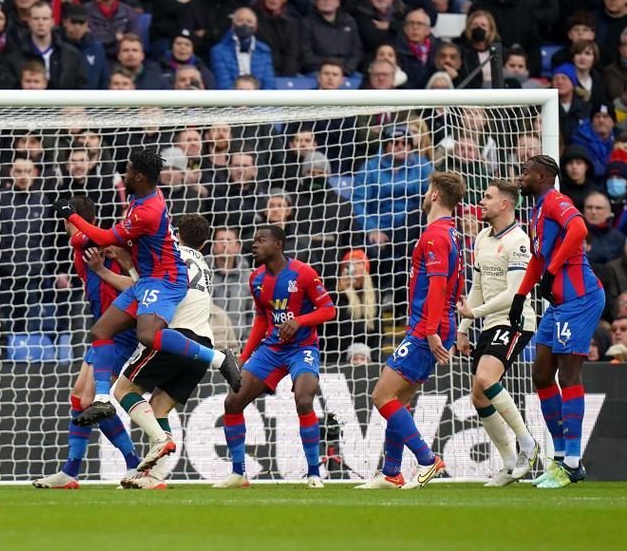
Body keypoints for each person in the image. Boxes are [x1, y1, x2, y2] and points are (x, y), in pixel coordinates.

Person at [53, 148, 241, 428]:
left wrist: (73, 217)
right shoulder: (143, 197)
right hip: (148, 279)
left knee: (148, 335)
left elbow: (104, 236)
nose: (124, 175)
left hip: (165, 279)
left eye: (128, 171)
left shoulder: (147, 211)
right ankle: (103, 399)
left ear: (139, 176)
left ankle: (217, 358)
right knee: (101, 331)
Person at [356, 171, 465, 489]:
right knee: (399, 400)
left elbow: (438, 286)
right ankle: (391, 472)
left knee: (381, 396)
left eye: (427, 189)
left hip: (426, 329)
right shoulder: (450, 233)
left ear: (434, 195)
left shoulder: (434, 236)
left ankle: (429, 461)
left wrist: (430, 331)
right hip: (435, 325)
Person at [31, 195, 142, 489]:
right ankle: (70, 472)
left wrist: (107, 260)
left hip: (121, 331)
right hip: (104, 330)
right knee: (79, 398)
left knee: (92, 400)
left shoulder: (99, 246)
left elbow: (135, 285)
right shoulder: (85, 248)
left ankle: (135, 464)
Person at [217, 224, 336, 489]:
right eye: (254, 240)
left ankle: (314, 473)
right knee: (233, 402)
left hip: (302, 348)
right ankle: (239, 474)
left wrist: (300, 321)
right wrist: (245, 357)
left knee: (304, 399)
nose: (254, 244)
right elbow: (262, 318)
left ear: (278, 245)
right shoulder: (256, 278)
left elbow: (329, 310)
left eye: (261, 240)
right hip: (271, 350)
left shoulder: (303, 273)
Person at [513, 155, 607, 488]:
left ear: (541, 176)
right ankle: (558, 458)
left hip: (580, 299)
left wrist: (552, 272)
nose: (520, 177)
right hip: (558, 304)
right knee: (541, 373)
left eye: (525, 173)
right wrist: (519, 297)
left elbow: (579, 229)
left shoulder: (557, 200)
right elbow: (538, 259)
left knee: (568, 375)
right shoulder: (537, 211)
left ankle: (571, 463)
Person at [114, 214, 218, 490]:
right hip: (204, 344)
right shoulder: (205, 265)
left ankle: (160, 440)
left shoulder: (170, 255)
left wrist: (122, 264)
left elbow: (147, 288)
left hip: (176, 338)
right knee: (159, 407)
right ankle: (155, 478)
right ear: (204, 244)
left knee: (122, 391)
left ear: (175, 234)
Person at [456, 179, 540, 487]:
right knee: (479, 396)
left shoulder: (519, 241)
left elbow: (514, 292)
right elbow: (477, 289)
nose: (481, 201)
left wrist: (474, 314)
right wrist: (463, 329)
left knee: (485, 379)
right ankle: (507, 465)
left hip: (515, 321)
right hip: (490, 322)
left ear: (505, 204)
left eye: (488, 197)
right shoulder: (481, 237)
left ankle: (527, 444)